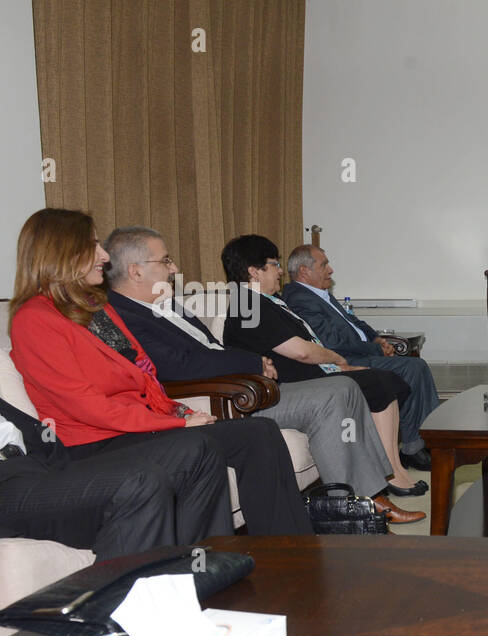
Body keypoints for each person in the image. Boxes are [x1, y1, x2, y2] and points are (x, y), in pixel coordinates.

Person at [7, 208, 312, 536]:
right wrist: (175, 423)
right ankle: (206, 565)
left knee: (258, 431)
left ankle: (289, 554)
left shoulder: (97, 307)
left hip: (137, 430)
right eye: (93, 245)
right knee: (198, 448)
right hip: (94, 443)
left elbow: (145, 376)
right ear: (63, 252)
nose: (104, 255)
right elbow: (86, 405)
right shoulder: (35, 319)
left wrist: (179, 410)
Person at [103, 227, 423, 523]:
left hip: (243, 384)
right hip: (223, 398)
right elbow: (180, 366)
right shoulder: (124, 316)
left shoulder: (169, 305)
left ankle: (358, 501)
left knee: (345, 387)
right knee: (340, 389)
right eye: (166, 260)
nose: (174, 269)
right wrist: (254, 364)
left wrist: (252, 364)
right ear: (136, 270)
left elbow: (212, 349)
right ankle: (356, 507)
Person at [218, 234, 427, 499]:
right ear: (254, 271)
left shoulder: (267, 302)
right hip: (287, 387)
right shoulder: (248, 305)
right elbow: (301, 351)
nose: (281, 270)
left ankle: (392, 468)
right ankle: (390, 474)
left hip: (309, 377)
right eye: (274, 264)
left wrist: (340, 367)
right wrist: (338, 361)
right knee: (380, 383)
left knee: (384, 380)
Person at [1, 396, 232, 559]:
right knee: (139, 482)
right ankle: (125, 619)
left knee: (198, 448)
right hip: (9, 485)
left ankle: (200, 576)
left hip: (45, 469)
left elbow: (43, 436)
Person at [280, 244, 439, 469]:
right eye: (324, 264)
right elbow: (331, 341)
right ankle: (419, 446)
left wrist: (376, 339)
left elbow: (353, 322)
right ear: (305, 271)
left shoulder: (320, 294)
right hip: (343, 360)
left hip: (359, 352)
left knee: (414, 367)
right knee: (414, 368)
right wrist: (375, 349)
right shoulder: (299, 298)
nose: (331, 270)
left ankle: (420, 443)